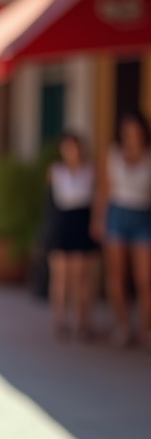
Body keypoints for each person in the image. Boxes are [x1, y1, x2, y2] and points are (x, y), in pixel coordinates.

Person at [92, 111, 151, 349]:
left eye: (135, 131)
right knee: (117, 276)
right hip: (117, 214)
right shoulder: (113, 155)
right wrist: (98, 219)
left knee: (144, 279)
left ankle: (146, 329)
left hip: (143, 216)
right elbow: (104, 190)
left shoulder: (149, 157)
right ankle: (123, 325)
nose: (131, 136)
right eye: (127, 131)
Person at [45, 132, 99, 342]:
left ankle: (81, 320)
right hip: (61, 223)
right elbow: (49, 202)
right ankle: (60, 319)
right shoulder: (55, 171)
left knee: (80, 277)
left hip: (81, 223)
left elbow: (96, 199)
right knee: (61, 276)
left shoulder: (90, 171)